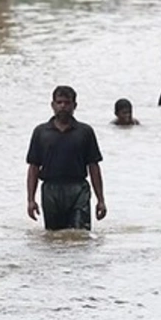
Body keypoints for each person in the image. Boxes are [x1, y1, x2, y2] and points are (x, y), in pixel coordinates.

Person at [25, 85, 106, 231]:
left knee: (80, 233)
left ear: (74, 105)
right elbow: (33, 167)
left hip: (78, 189)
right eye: (59, 102)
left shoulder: (85, 132)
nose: (63, 106)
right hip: (51, 190)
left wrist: (101, 200)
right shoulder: (41, 132)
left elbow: (94, 167)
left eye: (67, 103)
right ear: (53, 105)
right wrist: (31, 200)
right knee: (54, 236)